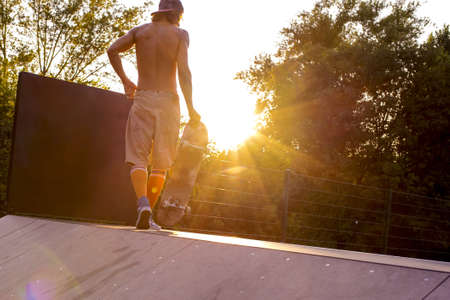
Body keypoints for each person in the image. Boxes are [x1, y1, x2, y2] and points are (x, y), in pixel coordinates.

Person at [107, 0, 200, 230]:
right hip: (169, 101)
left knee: (137, 157)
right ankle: (148, 214)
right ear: (177, 14)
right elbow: (184, 72)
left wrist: (126, 81)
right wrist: (191, 108)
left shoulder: (140, 32)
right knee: (161, 162)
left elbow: (112, 50)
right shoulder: (180, 35)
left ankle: (142, 206)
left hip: (144, 97)